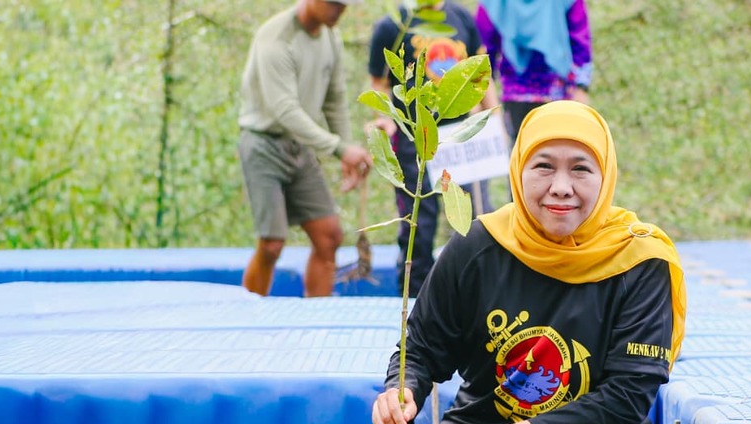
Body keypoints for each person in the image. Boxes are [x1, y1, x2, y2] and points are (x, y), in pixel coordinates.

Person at [370, 101, 687, 424]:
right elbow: (422, 344)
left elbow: (629, 397)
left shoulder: (640, 260)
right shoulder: (478, 245)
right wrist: (404, 388)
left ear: (605, 176)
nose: (561, 186)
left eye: (580, 168)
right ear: (519, 170)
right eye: (544, 166)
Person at [238, 0, 373, 297]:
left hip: (301, 147)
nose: (339, 10)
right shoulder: (276, 38)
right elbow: (285, 110)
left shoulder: (330, 36)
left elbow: (334, 99)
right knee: (272, 244)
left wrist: (347, 148)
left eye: (345, 5)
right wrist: (338, 148)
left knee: (329, 237)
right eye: (334, 3)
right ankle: (248, 317)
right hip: (264, 145)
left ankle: (317, 320)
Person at [368, 1, 498, 298]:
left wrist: (494, 119)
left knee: (474, 214)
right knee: (419, 221)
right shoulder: (394, 25)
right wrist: (383, 119)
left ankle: (475, 294)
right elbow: (379, 82)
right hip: (415, 136)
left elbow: (481, 74)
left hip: (460, 136)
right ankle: (414, 298)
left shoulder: (461, 17)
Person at [476, 0, 593, 142]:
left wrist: (580, 92)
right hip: (540, 97)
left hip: (542, 97)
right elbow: (482, 57)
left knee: (529, 156)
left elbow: (483, 56)